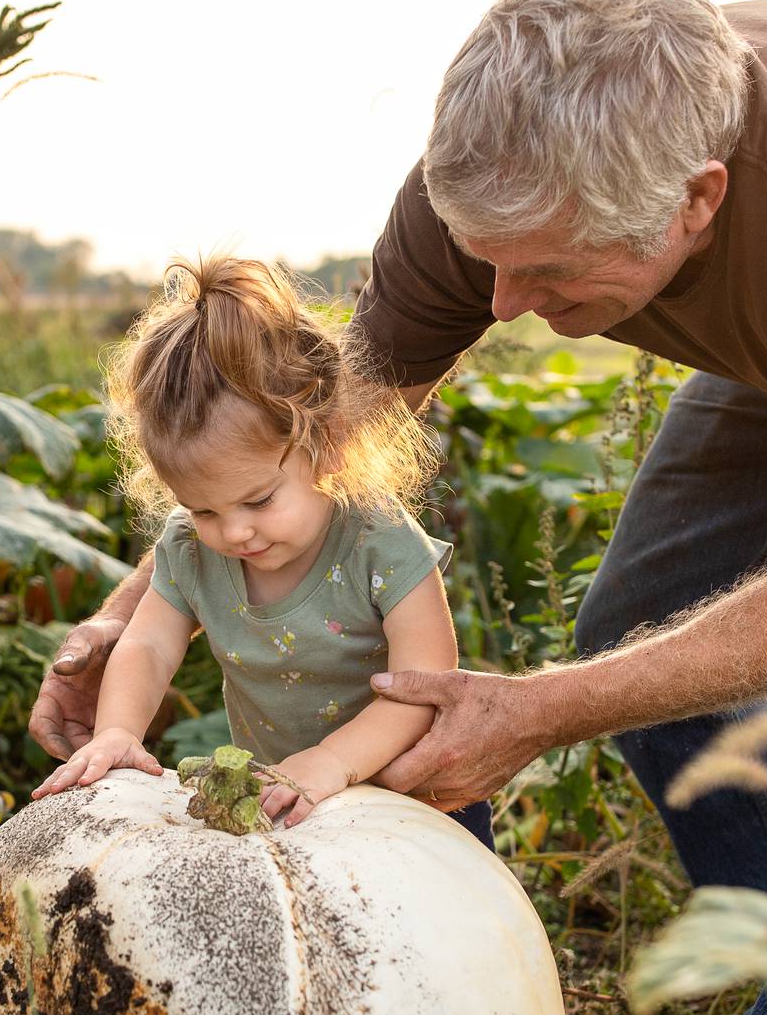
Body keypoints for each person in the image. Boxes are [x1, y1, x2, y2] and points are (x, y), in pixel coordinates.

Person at [31, 0, 767, 1015]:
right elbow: (309, 444)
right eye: (485, 255)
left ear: (696, 201)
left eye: (553, 270)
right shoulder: (493, 185)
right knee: (644, 621)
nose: (501, 299)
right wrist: (122, 621)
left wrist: (536, 711)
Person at [31, 254, 493, 839]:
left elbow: (425, 688)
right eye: (203, 509)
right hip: (284, 800)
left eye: (259, 500)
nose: (234, 533)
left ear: (326, 445)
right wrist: (117, 732)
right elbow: (146, 644)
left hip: (418, 800)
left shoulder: (380, 542)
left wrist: (329, 764)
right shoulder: (192, 550)